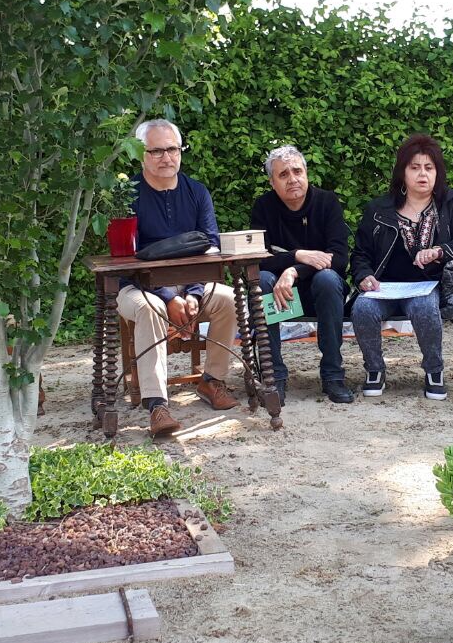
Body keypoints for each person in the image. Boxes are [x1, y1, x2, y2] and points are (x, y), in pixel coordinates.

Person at [117, 119, 240, 438]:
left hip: (193, 283)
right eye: (156, 150)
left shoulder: (197, 192)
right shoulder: (125, 194)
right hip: (137, 287)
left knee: (228, 299)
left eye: (172, 149)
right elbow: (127, 259)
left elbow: (209, 246)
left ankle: (212, 381)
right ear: (141, 154)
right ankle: (157, 405)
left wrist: (194, 295)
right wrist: (171, 298)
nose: (166, 157)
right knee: (150, 308)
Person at [350, 134, 453, 401]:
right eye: (415, 167)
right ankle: (374, 369)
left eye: (429, 168)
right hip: (384, 286)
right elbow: (360, 254)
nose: (422, 174)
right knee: (362, 308)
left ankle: (434, 370)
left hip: (426, 286)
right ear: (402, 172)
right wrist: (364, 276)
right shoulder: (378, 209)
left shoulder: (448, 203)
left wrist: (441, 251)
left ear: (437, 173)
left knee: (423, 307)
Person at [250, 145, 354, 404]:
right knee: (262, 280)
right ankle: (274, 377)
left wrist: (293, 271)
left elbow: (339, 259)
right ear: (272, 182)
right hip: (281, 299)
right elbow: (257, 260)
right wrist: (298, 255)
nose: (293, 179)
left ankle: (332, 375)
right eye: (283, 174)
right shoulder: (263, 207)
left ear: (307, 174)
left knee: (329, 278)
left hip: (321, 296)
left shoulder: (327, 202)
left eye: (297, 171)